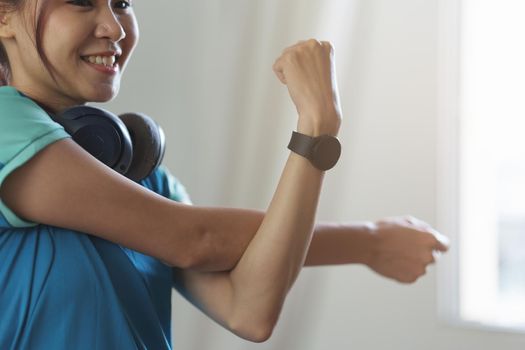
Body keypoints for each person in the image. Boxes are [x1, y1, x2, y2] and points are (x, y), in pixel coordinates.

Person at [0, 0, 449, 349]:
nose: (115, 27)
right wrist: (368, 241)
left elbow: (249, 308)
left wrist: (317, 125)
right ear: (5, 17)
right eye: (81, 2)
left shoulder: (141, 175)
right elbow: (197, 240)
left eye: (122, 2)